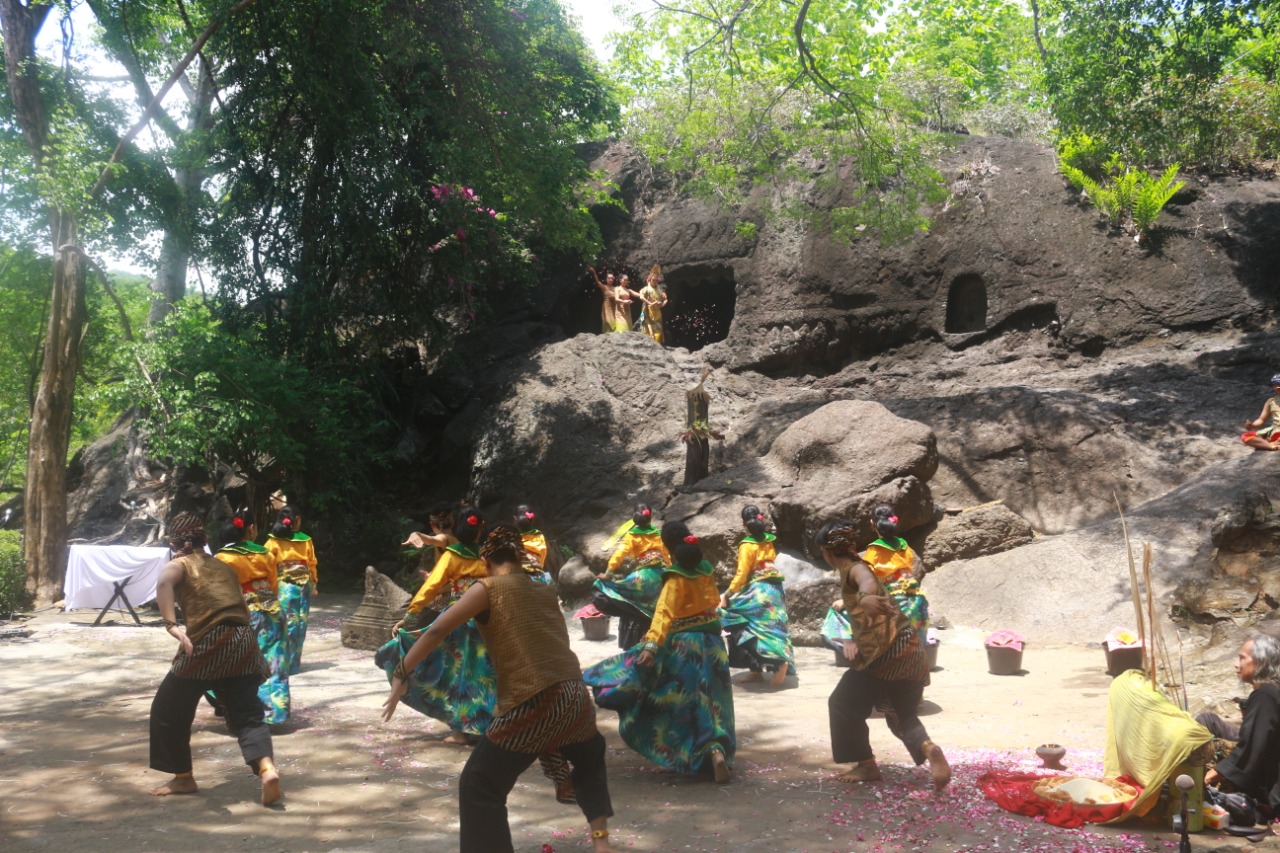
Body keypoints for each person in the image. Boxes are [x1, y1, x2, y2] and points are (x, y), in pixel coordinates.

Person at [382, 525, 619, 853]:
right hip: (574, 695)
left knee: (479, 784)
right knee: (590, 757)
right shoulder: (544, 590)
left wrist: (401, 671)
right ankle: (602, 844)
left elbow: (437, 629)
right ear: (519, 556)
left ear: (487, 559)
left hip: (533, 700)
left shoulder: (488, 588)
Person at [583, 522, 735, 783]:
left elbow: (664, 614)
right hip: (714, 645)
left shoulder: (675, 576)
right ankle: (716, 751)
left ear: (666, 546)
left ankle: (684, 757)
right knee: (712, 701)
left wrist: (652, 646)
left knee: (679, 702)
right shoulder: (705, 569)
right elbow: (711, 602)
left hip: (685, 646)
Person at [148, 512, 281, 805]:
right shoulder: (222, 565)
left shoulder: (179, 564)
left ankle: (183, 778)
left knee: (168, 710)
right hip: (244, 642)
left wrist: (172, 626)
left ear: (175, 543)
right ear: (204, 539)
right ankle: (266, 768)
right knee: (246, 712)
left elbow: (164, 584)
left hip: (210, 642)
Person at [816, 520, 950, 789]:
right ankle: (929, 748)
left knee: (842, 703)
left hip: (886, 654)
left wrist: (865, 598)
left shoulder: (854, 568)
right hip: (910, 650)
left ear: (826, 552)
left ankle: (866, 765)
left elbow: (865, 582)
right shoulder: (859, 564)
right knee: (901, 716)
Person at [378, 507, 496, 743]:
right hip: (487, 621)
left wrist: (409, 618)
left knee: (454, 673)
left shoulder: (453, 556)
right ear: (481, 528)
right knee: (482, 674)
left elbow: (429, 588)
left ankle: (461, 732)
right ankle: (485, 725)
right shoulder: (488, 557)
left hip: (458, 621)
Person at [215, 511, 290, 724]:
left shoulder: (223, 557)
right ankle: (275, 713)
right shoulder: (265, 553)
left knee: (244, 662)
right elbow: (274, 584)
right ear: (251, 529)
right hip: (271, 608)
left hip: (242, 609)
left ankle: (250, 711)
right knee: (275, 659)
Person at [1200, 634, 1280, 817]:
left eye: (1242, 658)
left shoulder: (1266, 695)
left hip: (1271, 784)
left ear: (1262, 661)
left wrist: (1210, 776)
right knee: (1208, 719)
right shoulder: (1269, 691)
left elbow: (1253, 745)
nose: (1237, 664)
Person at [719, 504, 795, 686]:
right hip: (775, 589)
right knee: (773, 628)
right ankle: (756, 669)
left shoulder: (747, 545)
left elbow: (742, 573)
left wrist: (727, 595)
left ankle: (779, 662)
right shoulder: (769, 540)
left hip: (757, 591)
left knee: (733, 618)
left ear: (744, 524)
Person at [592, 503, 670, 649]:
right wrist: (670, 571)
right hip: (662, 573)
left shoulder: (632, 535)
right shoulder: (658, 534)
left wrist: (608, 574)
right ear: (650, 517)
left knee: (618, 596)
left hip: (642, 575)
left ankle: (635, 642)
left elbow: (619, 555)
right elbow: (666, 555)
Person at [265, 505, 317, 676]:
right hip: (304, 586)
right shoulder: (306, 540)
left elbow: (268, 566)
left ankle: (282, 662)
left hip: (284, 587)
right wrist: (314, 584)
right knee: (300, 624)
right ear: (297, 520)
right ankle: (294, 664)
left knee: (285, 623)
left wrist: (270, 587)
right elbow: (311, 564)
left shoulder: (273, 541)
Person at [589, 266, 635, 334]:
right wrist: (594, 272)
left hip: (615, 307)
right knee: (608, 322)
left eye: (612, 278)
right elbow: (597, 282)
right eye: (609, 278)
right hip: (607, 307)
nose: (610, 279)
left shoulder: (615, 288)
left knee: (616, 322)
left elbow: (621, 294)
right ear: (606, 279)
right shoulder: (604, 287)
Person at [514, 504, 551, 583]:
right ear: (532, 518)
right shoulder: (539, 536)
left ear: (514, 518)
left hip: (522, 580)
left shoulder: (514, 540)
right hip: (540, 577)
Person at [1241, 374, 1280, 451]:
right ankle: (1271, 446)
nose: (1277, 387)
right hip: (1274, 430)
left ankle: (1273, 443)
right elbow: (1261, 419)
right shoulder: (1270, 402)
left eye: (1279, 384)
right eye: (1275, 385)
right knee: (1246, 436)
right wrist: (1252, 425)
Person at [637, 264, 668, 344]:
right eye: (653, 280)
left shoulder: (659, 290)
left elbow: (665, 299)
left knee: (658, 329)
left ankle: (657, 345)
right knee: (645, 327)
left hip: (657, 312)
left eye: (656, 280)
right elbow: (641, 297)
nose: (654, 282)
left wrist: (662, 304)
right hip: (647, 311)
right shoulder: (646, 289)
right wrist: (649, 303)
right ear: (650, 280)